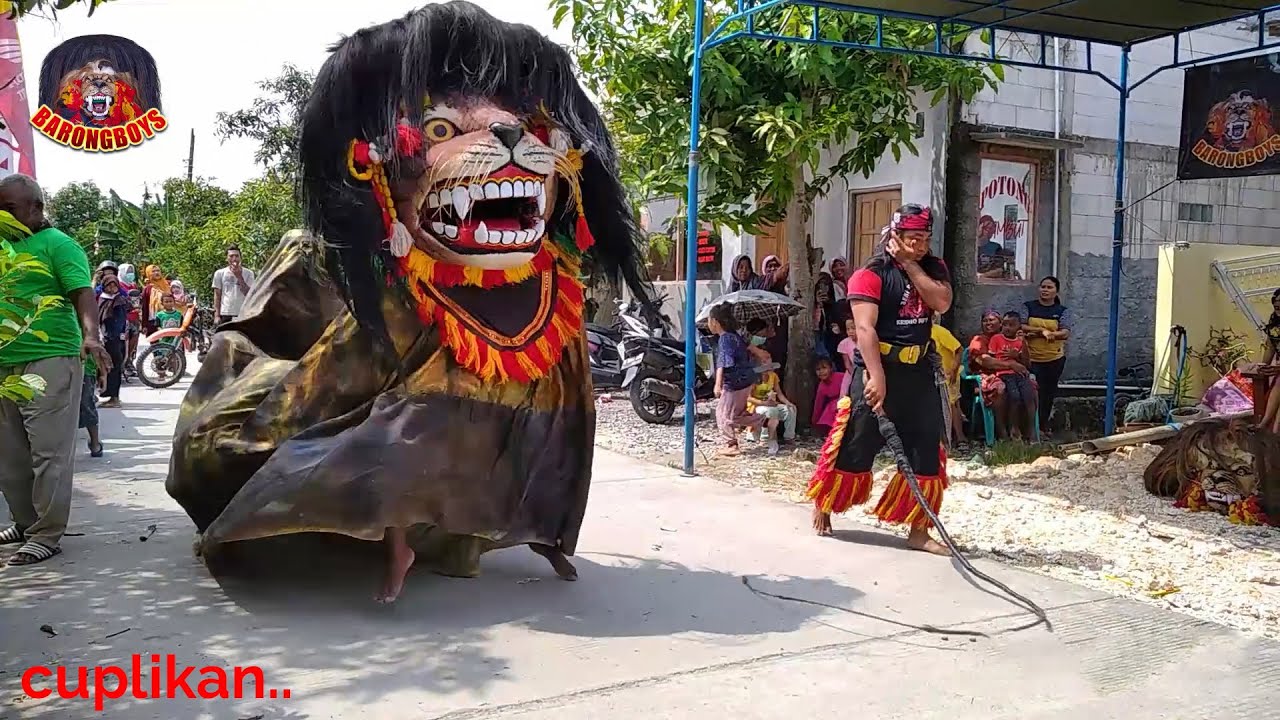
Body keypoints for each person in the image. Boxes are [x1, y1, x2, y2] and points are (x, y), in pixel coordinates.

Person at [165, 2, 648, 604]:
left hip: (480, 434)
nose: (507, 138)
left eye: (528, 128)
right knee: (403, 406)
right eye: (443, 129)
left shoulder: (551, 285)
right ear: (373, 169)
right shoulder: (327, 258)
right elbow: (266, 382)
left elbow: (562, 423)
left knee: (527, 411)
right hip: (336, 409)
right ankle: (388, 532)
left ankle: (484, 528)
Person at [804, 203, 952, 555]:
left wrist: (912, 265)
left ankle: (919, 530)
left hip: (919, 371)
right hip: (877, 367)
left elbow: (942, 303)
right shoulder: (869, 273)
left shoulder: (931, 266)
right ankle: (824, 502)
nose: (920, 245)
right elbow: (866, 329)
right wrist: (877, 376)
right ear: (894, 237)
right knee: (856, 442)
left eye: (925, 239)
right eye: (913, 238)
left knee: (927, 449)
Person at [0, 173, 111, 567]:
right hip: (4, 360)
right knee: (9, 454)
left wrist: (92, 336)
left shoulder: (58, 245)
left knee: (48, 452)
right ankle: (25, 521)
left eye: (9, 209)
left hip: (51, 357)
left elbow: (82, 293)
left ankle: (46, 533)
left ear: (35, 208)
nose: (3, 216)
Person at [711, 304, 765, 456]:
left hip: (734, 383)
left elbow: (723, 362)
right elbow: (747, 347)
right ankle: (762, 419)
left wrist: (718, 384)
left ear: (715, 321)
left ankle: (731, 444)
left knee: (722, 414)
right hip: (746, 380)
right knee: (736, 414)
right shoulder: (735, 336)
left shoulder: (724, 339)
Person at [1023, 276, 1072, 432]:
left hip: (1054, 359)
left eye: (1049, 287)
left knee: (1047, 394)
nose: (1045, 290)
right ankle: (1029, 427)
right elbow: (1021, 325)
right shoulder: (1028, 307)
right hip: (1031, 359)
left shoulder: (1062, 311)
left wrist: (1050, 334)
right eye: (1043, 286)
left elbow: (1065, 332)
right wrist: (1041, 331)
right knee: (1030, 393)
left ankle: (1042, 427)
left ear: (1056, 291)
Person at [988, 311, 1037, 440]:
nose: (1007, 328)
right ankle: (1013, 429)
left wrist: (1020, 351)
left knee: (1029, 397)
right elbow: (991, 361)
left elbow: (1027, 364)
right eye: (1005, 325)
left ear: (1019, 327)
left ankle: (1031, 432)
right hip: (1004, 374)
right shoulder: (996, 339)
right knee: (1014, 397)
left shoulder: (1020, 341)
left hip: (1020, 373)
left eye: (1011, 325)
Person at [746, 352, 796, 456]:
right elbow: (748, 398)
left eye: (768, 360)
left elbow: (779, 393)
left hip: (771, 403)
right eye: (764, 361)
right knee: (770, 411)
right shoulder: (754, 378)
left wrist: (788, 403)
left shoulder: (773, 376)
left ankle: (789, 437)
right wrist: (764, 402)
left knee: (790, 409)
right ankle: (765, 438)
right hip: (757, 405)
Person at [96, 276, 130, 408]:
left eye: (114, 286)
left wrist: (113, 336)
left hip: (114, 339)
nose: (112, 288)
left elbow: (119, 322)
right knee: (105, 367)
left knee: (114, 367)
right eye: (109, 286)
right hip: (105, 338)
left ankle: (114, 397)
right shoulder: (102, 299)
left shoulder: (118, 301)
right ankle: (108, 394)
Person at [931, 315, 965, 445]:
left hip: (948, 375)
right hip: (933, 376)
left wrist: (954, 370)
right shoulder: (918, 333)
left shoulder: (940, 331)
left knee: (952, 404)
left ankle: (960, 438)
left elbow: (958, 349)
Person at [1255, 289, 1280, 433]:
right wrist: (1263, 365)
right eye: (1276, 306)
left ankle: (1274, 429)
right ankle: (1265, 423)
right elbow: (1270, 346)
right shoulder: (1274, 322)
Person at [211, 245, 255, 327]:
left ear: (240, 258)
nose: (234, 259)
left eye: (237, 256)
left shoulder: (249, 273)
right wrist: (216, 316)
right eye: (231, 256)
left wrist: (239, 276)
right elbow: (217, 295)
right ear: (227, 258)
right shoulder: (220, 273)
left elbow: (249, 294)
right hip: (226, 313)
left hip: (242, 314)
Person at [811, 356, 844, 436]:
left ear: (831, 368)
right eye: (818, 369)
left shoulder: (841, 376)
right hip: (833, 407)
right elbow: (818, 405)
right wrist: (814, 422)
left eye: (824, 368)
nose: (821, 372)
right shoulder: (821, 386)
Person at [79, 355, 104, 458]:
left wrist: (103, 373)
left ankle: (95, 442)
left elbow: (97, 344)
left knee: (87, 404)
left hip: (86, 367)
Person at [139, 264, 171, 335]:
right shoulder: (148, 289)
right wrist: (144, 325)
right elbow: (145, 307)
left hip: (169, 319)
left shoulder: (167, 285)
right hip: (153, 321)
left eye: (158, 271)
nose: (156, 273)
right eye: (153, 271)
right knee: (155, 344)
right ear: (149, 274)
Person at [837, 316, 857, 397]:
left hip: (864, 371)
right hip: (851, 372)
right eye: (848, 329)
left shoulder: (864, 341)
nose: (850, 331)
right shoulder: (844, 343)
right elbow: (847, 364)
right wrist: (854, 375)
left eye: (853, 328)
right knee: (844, 396)